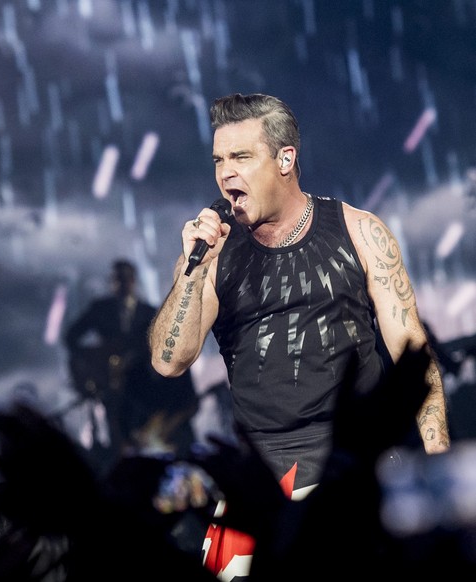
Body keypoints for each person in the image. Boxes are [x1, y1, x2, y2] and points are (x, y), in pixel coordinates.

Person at [147, 92, 450, 579]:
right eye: (219, 160)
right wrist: (193, 269)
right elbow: (168, 361)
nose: (226, 173)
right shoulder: (212, 256)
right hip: (260, 477)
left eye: (241, 157)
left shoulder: (358, 230)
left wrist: (436, 464)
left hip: (354, 464)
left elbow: (413, 351)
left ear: (285, 158)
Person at [65, 259, 199, 471]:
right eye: (117, 278)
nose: (121, 283)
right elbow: (71, 337)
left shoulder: (149, 312)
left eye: (125, 278)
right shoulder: (100, 309)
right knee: (119, 438)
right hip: (112, 387)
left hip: (142, 386)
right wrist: (94, 362)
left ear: (133, 281)